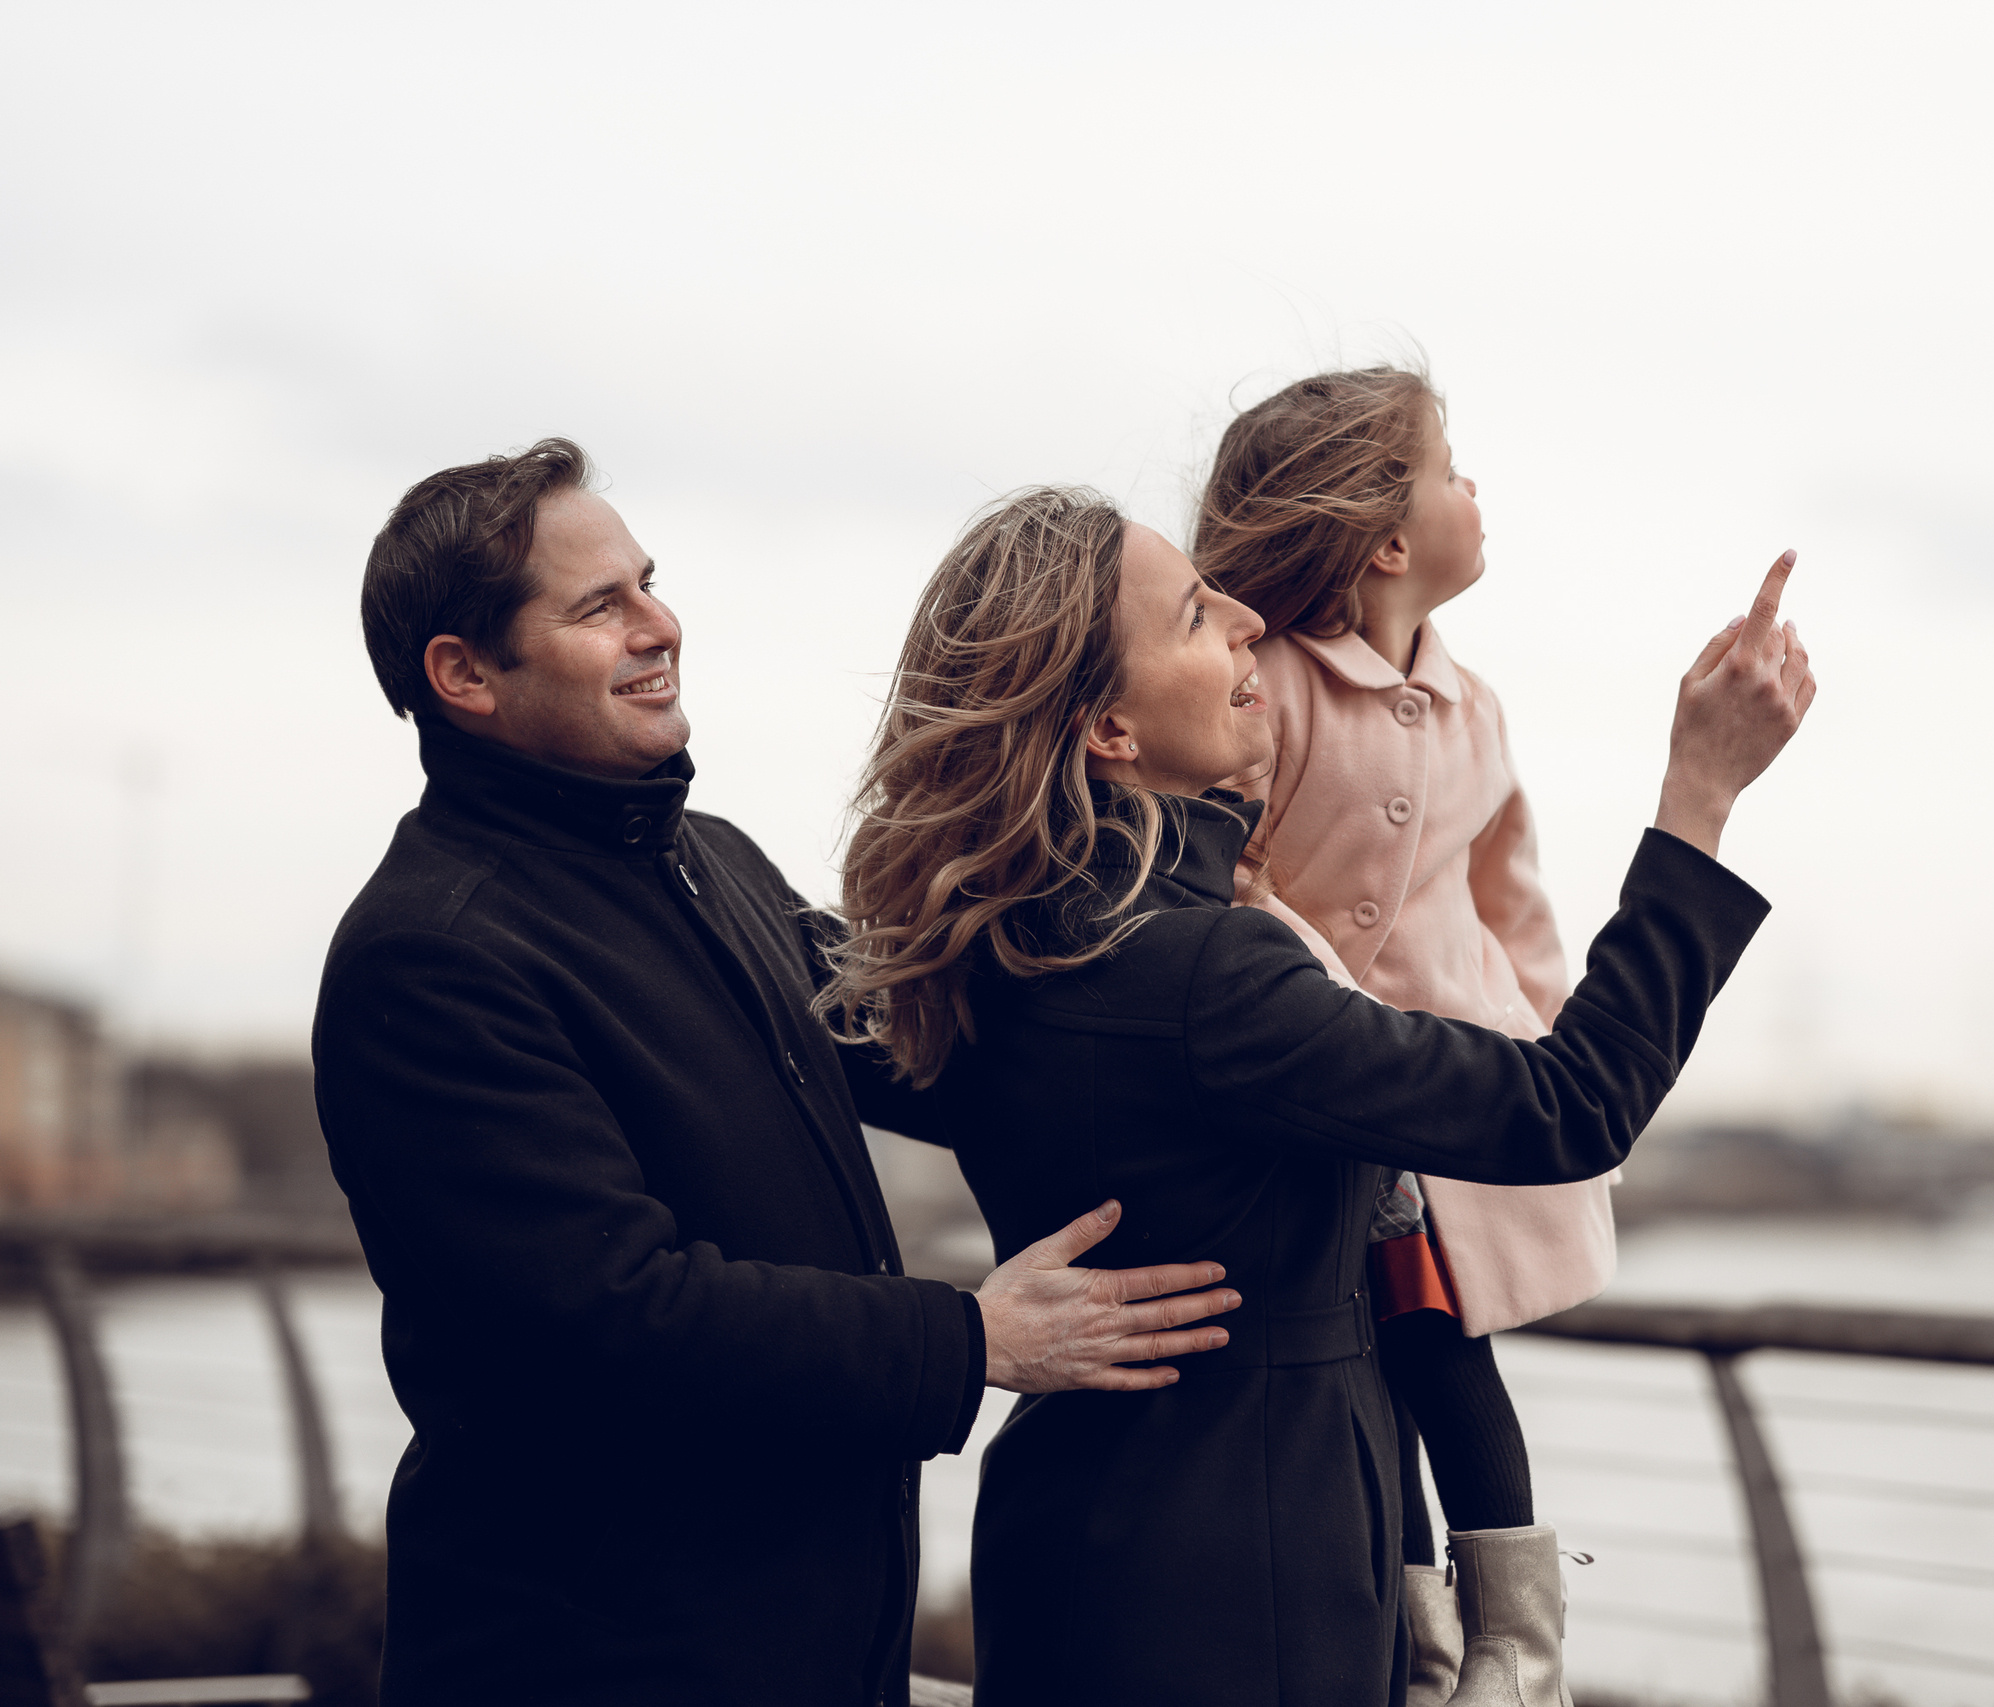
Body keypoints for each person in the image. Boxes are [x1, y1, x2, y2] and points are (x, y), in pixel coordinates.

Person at [825, 486, 1812, 1706]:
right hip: (1252, 1598)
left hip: (1066, 1555)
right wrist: (1699, 796)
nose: (1248, 620)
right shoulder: (1208, 976)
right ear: (1109, 730)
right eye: (1196, 615)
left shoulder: (990, 949)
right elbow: (1568, 1108)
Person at [311, 439, 1241, 1707]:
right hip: (600, 1667)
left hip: (804, 1651)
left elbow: (945, 1049)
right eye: (599, 607)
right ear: (463, 674)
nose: (659, 626)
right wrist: (973, 1337)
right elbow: (610, 1323)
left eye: (648, 583)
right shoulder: (432, 954)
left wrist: (1220, 978)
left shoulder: (713, 862)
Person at [1191, 366, 1618, 1701]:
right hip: (1316, 1104)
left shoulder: (1474, 704)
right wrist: (1327, 1002)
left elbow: (1512, 892)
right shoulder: (1264, 686)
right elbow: (1230, 882)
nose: (1474, 489)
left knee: (1444, 1357)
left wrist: (1553, 1055)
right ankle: (1426, 1659)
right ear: (1384, 538)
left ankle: (1516, 1658)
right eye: (1450, 468)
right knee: (1369, 1383)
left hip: (1449, 1112)